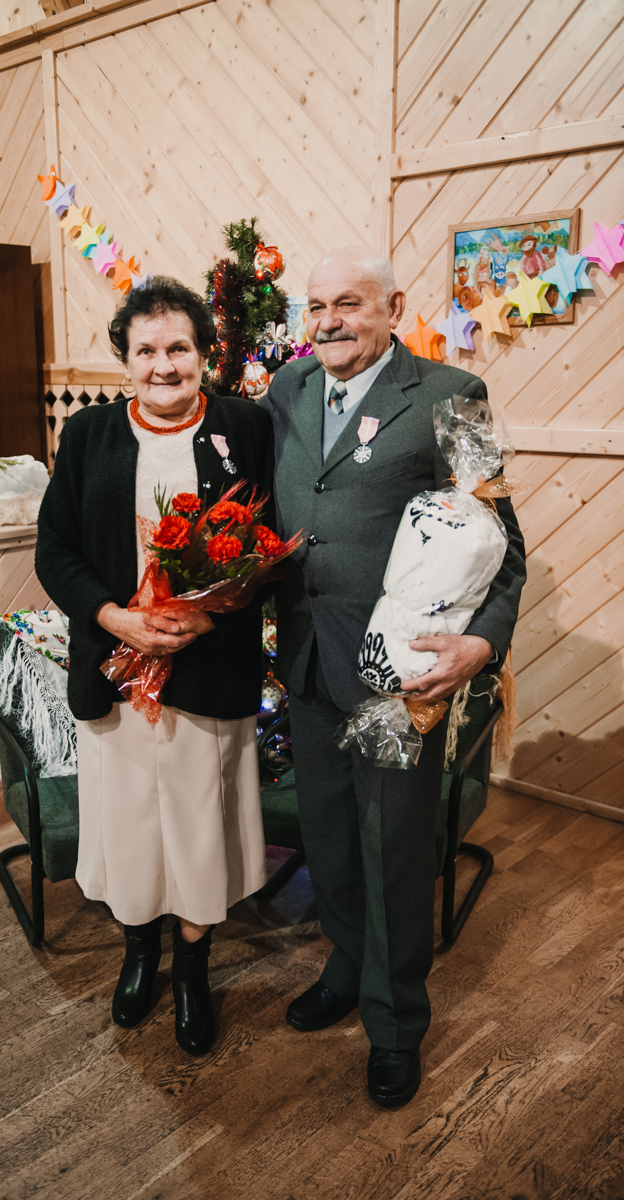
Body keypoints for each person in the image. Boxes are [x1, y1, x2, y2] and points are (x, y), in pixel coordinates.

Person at [259, 246, 525, 1107]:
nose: (329, 320)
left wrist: (480, 646)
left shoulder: (451, 396)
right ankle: (347, 966)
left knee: (393, 849)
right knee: (331, 838)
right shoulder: (289, 389)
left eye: (349, 303)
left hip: (398, 680)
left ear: (393, 308)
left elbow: (504, 544)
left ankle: (396, 1023)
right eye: (316, 306)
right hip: (308, 662)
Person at [35, 276, 273, 1056]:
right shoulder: (89, 436)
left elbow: (272, 547)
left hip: (209, 667)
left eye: (178, 348)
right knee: (132, 822)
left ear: (205, 354)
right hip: (115, 669)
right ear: (125, 359)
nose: (163, 365)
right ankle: (140, 953)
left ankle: (194, 969)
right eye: (146, 350)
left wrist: (212, 613)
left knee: (201, 825)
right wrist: (113, 617)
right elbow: (54, 551)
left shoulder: (246, 426)